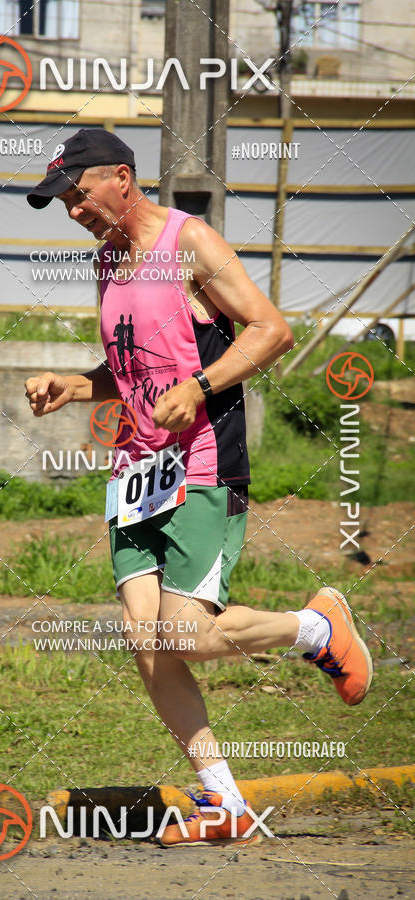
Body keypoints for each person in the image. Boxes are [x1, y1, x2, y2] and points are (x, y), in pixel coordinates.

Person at [24, 128, 373, 847]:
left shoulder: (190, 243)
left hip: (203, 463)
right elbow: (128, 371)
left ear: (122, 178)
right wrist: (74, 383)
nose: (74, 213)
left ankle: (316, 629)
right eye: (62, 203)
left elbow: (270, 329)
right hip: (135, 474)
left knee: (186, 635)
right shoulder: (110, 264)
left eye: (79, 195)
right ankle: (229, 806)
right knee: (146, 642)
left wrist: (201, 383)